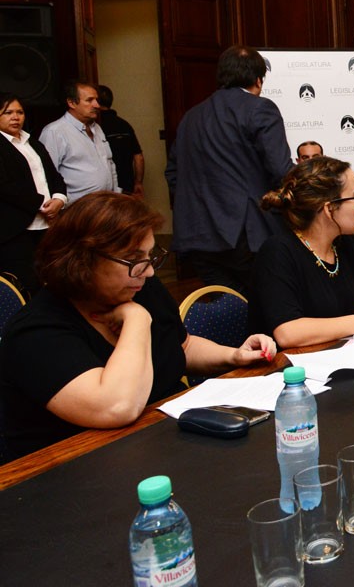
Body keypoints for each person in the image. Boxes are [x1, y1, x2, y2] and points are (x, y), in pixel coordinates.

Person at [0, 193, 277, 459]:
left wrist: (232, 356)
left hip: (159, 446)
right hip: (68, 476)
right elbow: (118, 407)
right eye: (133, 260)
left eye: (149, 256)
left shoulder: (138, 286)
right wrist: (137, 319)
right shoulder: (36, 332)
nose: (149, 271)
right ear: (81, 261)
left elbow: (183, 345)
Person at [165, 45, 293, 294]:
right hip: (246, 233)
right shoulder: (260, 108)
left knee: (228, 310)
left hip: (199, 235)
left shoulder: (191, 116)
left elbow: (173, 174)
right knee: (266, 307)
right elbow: (281, 170)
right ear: (259, 80)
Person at [250, 157, 354, 348]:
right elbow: (288, 332)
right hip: (290, 371)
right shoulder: (277, 252)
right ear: (329, 208)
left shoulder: (343, 244)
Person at [0, 95, 66, 296]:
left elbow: (54, 176)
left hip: (46, 225)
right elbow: (5, 185)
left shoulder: (33, 143)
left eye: (19, 112)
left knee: (52, 279)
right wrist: (42, 204)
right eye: (8, 113)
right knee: (26, 284)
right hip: (16, 229)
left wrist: (59, 199)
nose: (15, 117)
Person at [38, 80, 118, 203]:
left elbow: (109, 163)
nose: (96, 105)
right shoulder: (54, 132)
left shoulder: (97, 128)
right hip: (76, 210)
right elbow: (46, 175)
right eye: (89, 100)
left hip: (105, 206)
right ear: (71, 103)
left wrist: (116, 195)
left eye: (97, 100)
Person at [96, 85, 144, 197]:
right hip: (127, 185)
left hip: (104, 189)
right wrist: (138, 182)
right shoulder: (124, 125)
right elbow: (139, 157)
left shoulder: (95, 127)